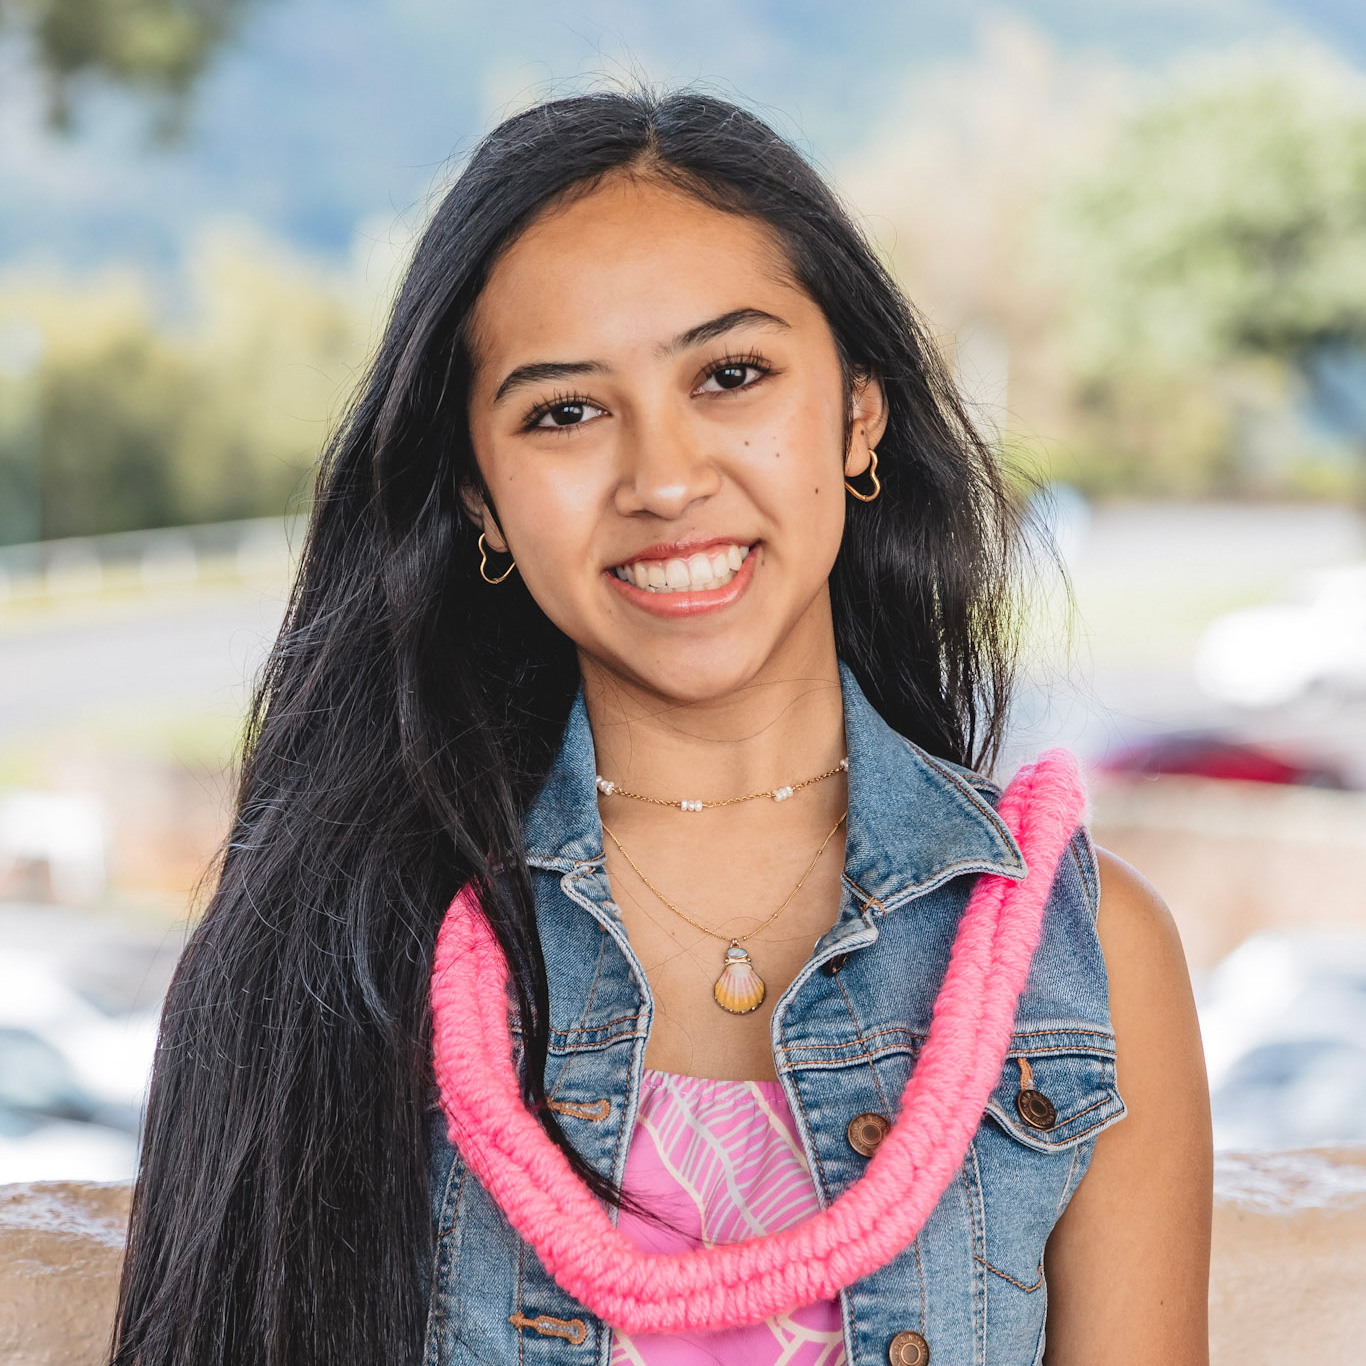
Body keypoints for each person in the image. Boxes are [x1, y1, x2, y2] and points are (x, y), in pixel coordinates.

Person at [110, 85, 1213, 1366]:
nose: (666, 479)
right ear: (479, 496)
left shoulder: (1086, 963)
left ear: (857, 412)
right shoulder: (333, 941)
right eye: (564, 412)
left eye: (730, 376)